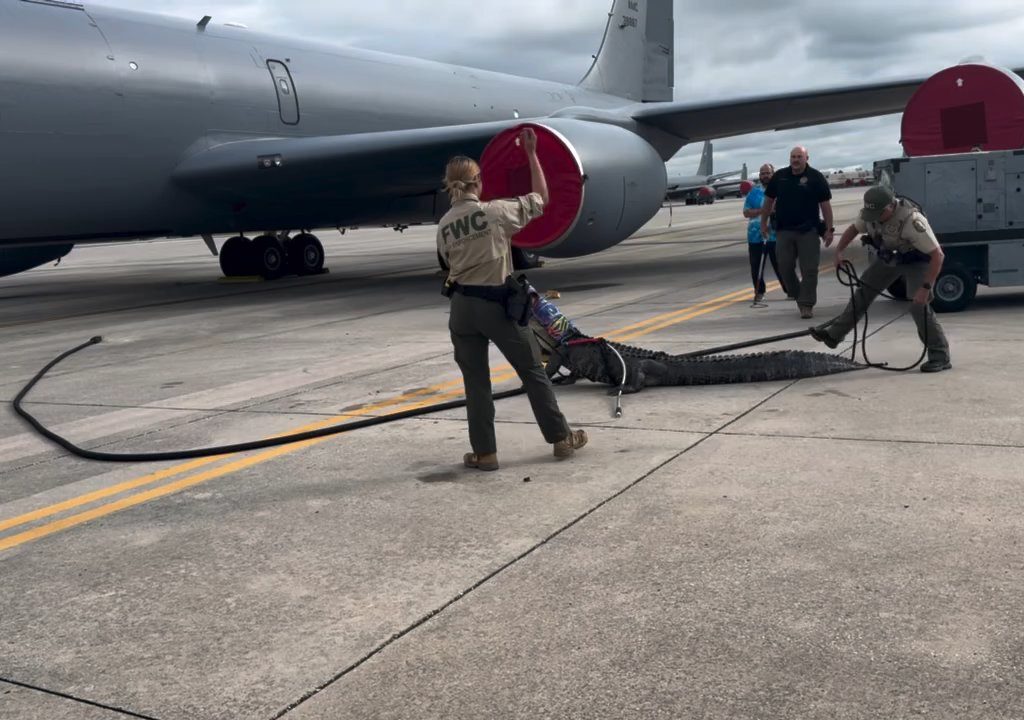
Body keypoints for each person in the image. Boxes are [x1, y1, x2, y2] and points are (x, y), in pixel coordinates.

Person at [436, 127, 589, 471]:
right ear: (478, 182)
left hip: (461, 309)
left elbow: (447, 262)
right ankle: (561, 438)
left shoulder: (444, 225)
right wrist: (532, 154)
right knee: (532, 371)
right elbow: (541, 197)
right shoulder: (496, 213)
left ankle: (485, 453)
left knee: (476, 383)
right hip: (496, 305)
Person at [809, 185, 951, 373]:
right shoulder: (871, 213)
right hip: (891, 257)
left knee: (919, 306)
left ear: (891, 206)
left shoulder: (912, 221)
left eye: (878, 213)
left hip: (918, 260)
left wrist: (925, 288)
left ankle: (940, 355)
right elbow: (853, 229)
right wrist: (839, 251)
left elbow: (938, 256)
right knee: (863, 291)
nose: (873, 217)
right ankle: (834, 335)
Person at [760, 146, 834, 319]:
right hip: (784, 230)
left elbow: (825, 206)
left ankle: (806, 305)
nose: (795, 159)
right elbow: (768, 201)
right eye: (793, 156)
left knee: (809, 270)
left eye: (799, 156)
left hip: (808, 230)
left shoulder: (816, 177)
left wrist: (829, 229)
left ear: (807, 158)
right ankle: (799, 294)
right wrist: (764, 223)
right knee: (784, 266)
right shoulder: (780, 177)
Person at [742, 163, 784, 304]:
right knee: (756, 265)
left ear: (773, 174)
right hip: (755, 235)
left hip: (774, 234)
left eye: (768, 173)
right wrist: (764, 210)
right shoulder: (754, 192)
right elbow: (746, 212)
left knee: (780, 264)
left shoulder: (780, 191)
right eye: (762, 173)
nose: (765, 176)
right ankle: (759, 292)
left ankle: (790, 289)